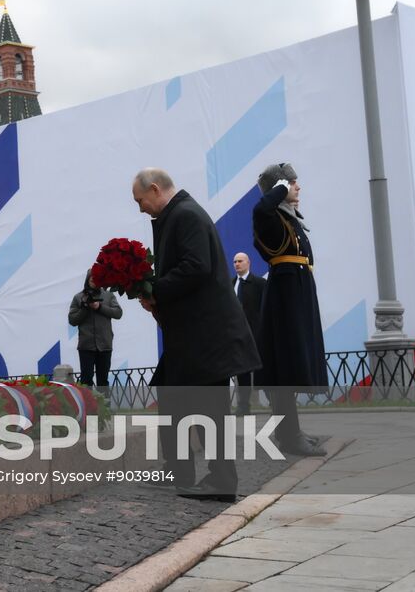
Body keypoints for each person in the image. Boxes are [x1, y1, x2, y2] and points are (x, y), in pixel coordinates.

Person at [132, 168, 260, 502]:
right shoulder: (180, 214)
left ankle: (221, 481)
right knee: (174, 398)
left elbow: (196, 267)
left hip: (206, 336)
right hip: (193, 335)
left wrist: (156, 290)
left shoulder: (185, 215)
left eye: (140, 200)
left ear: (155, 189)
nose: (140, 208)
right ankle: (179, 470)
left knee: (208, 410)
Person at [252, 163, 329, 457]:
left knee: (292, 367)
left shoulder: (289, 218)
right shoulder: (269, 218)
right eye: (291, 183)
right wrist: (280, 188)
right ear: (278, 189)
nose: (297, 187)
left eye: (295, 182)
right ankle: (289, 435)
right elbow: (260, 210)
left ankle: (290, 432)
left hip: (296, 292)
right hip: (285, 296)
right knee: (285, 369)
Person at [68, 270, 123, 390]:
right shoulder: (78, 297)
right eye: (92, 279)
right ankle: (88, 408)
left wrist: (99, 307)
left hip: (105, 345)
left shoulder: (109, 296)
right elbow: (72, 320)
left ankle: (105, 408)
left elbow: (118, 313)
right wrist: (85, 308)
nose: (94, 281)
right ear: (87, 280)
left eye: (97, 279)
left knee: (103, 380)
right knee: (86, 380)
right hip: (86, 346)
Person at [231, 252, 266, 416]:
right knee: (242, 373)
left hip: (258, 335)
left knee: (263, 370)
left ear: (248, 262)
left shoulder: (259, 283)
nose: (237, 264)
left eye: (240, 261)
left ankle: (274, 404)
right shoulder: (230, 284)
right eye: (235, 262)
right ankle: (243, 407)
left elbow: (265, 308)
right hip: (238, 337)